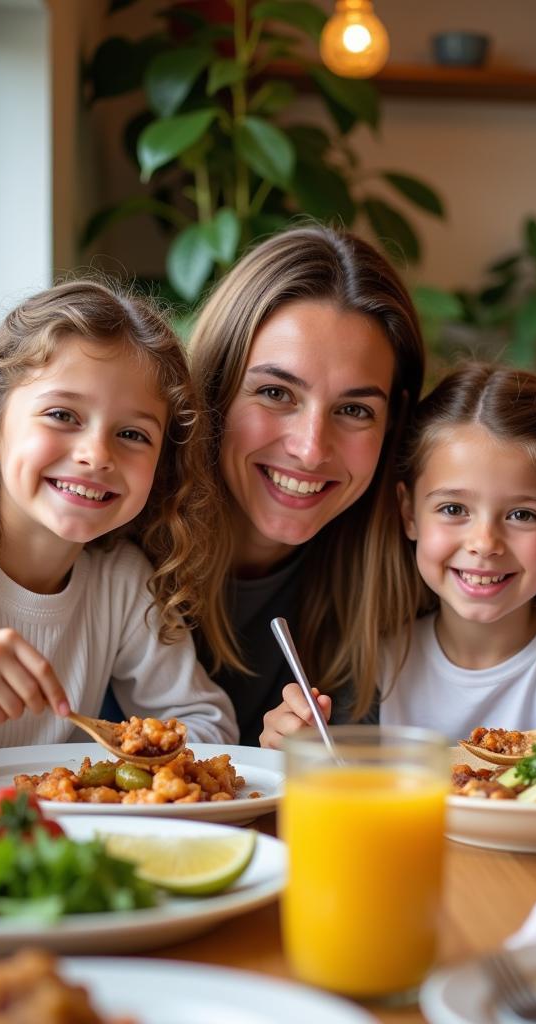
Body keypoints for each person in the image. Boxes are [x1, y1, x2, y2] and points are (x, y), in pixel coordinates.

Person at [0, 281, 237, 790]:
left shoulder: (120, 582)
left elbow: (207, 729)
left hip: (35, 857)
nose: (97, 454)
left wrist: (114, 769)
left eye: (133, 434)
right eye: (62, 415)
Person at [262, 362, 536, 748]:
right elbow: (341, 794)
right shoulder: (374, 668)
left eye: (522, 515)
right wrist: (295, 754)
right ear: (409, 514)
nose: (485, 542)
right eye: (454, 509)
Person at [189, 225, 425, 745]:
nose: (312, 448)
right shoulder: (103, 542)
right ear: (214, 389)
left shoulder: (418, 578)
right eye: (275, 392)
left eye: (355, 410)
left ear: (393, 423)